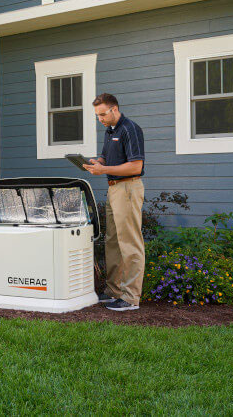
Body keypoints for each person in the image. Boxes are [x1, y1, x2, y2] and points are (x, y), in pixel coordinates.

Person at [83, 93, 145, 311]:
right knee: (113, 242)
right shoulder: (110, 131)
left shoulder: (130, 129)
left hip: (128, 187)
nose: (99, 119)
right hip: (114, 189)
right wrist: (95, 163)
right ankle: (113, 291)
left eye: (102, 114)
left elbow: (136, 166)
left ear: (114, 109)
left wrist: (104, 169)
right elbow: (105, 158)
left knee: (129, 243)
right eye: (97, 115)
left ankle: (130, 298)